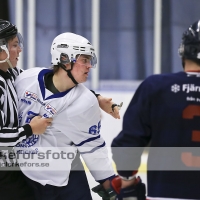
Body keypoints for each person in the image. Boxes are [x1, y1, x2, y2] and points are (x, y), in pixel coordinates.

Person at [14, 32, 120, 200]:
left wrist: (110, 183)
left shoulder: (85, 103)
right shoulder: (25, 79)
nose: (89, 66)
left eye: (90, 61)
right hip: (25, 178)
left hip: (67, 180)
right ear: (64, 59)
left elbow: (92, 148)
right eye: (84, 60)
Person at [111, 19, 200, 200]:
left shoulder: (155, 87)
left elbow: (129, 142)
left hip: (165, 194)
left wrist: (128, 182)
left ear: (183, 51)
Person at [0, 19, 53, 200]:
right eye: (15, 45)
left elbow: (49, 81)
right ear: (1, 50)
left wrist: (94, 97)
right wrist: (30, 129)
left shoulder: (12, 73)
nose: (20, 50)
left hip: (11, 167)